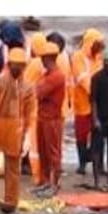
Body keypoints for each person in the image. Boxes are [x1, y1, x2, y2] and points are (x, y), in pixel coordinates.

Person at [0, 48, 35, 214]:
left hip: (14, 128)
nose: (17, 68)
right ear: (9, 64)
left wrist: (28, 135)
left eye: (20, 65)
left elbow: (30, 113)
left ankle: (11, 200)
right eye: (15, 65)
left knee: (12, 165)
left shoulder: (28, 87)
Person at [33, 38, 67, 197]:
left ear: (49, 58)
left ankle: (55, 184)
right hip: (43, 117)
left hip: (52, 119)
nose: (41, 60)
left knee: (53, 152)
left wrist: (37, 88)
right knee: (43, 152)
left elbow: (38, 93)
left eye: (43, 58)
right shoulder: (47, 75)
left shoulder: (56, 76)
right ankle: (45, 181)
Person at [70, 28, 105, 175]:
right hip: (82, 102)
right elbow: (82, 79)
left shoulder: (99, 57)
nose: (100, 47)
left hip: (98, 103)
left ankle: (99, 165)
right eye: (97, 44)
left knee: (99, 134)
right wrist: (97, 93)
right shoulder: (78, 57)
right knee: (82, 134)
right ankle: (82, 164)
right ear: (90, 43)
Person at [89, 48, 108, 190]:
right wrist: (95, 119)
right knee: (97, 150)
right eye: (107, 61)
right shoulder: (96, 78)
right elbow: (93, 100)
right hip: (100, 118)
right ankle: (97, 181)